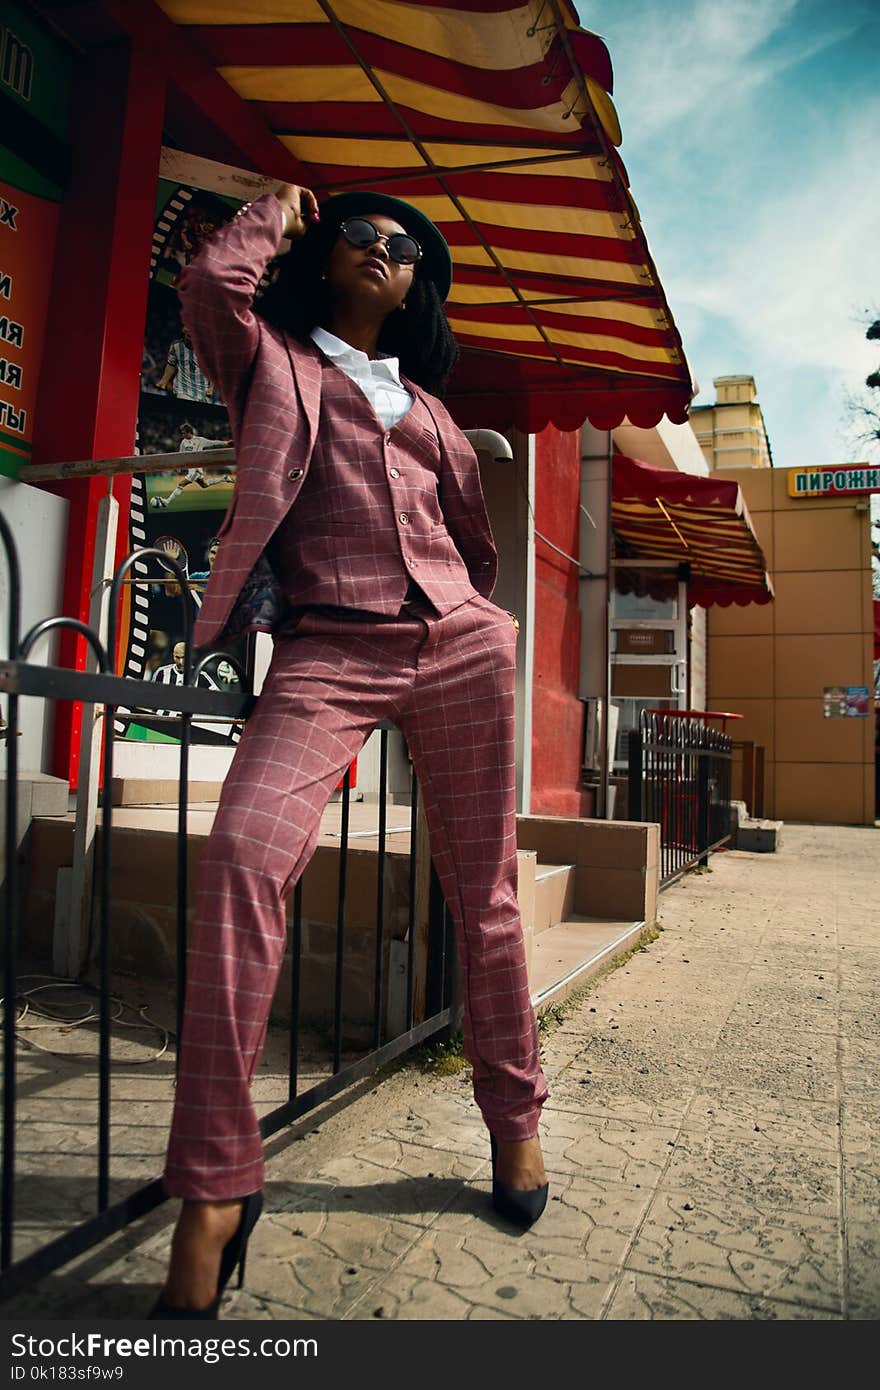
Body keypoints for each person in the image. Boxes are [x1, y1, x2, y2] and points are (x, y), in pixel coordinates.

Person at [151, 184, 548, 1319]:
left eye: (406, 249)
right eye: (363, 238)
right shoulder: (268, 358)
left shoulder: (424, 401)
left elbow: (465, 530)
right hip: (329, 645)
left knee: (486, 894)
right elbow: (206, 287)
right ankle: (218, 1188)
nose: (384, 253)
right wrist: (273, 209)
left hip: (460, 645)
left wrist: (476, 612)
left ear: (418, 284)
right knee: (239, 856)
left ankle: (513, 1118)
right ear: (327, 257)